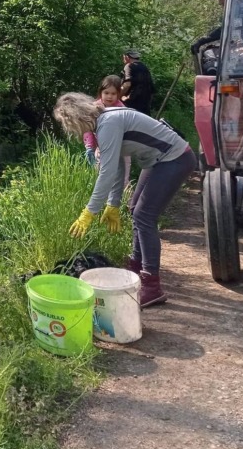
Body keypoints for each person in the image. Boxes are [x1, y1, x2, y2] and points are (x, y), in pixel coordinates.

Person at [55, 93, 196, 307]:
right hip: (159, 161)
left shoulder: (108, 122)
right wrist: (113, 203)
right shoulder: (103, 122)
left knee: (144, 215)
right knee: (135, 211)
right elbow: (118, 166)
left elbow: (107, 172)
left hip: (174, 159)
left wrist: (89, 212)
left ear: (75, 118)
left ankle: (152, 285)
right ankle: (136, 267)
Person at [83, 75, 132, 189]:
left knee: (122, 181)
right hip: (102, 150)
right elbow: (88, 127)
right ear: (101, 92)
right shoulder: (94, 108)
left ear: (118, 94)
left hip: (122, 150)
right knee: (101, 179)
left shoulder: (122, 110)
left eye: (113, 93)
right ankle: (105, 204)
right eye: (106, 93)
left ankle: (130, 206)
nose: (109, 96)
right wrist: (89, 146)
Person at [121, 49, 154, 116]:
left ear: (127, 57)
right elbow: (151, 88)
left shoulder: (129, 66)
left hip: (131, 104)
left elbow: (127, 84)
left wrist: (118, 96)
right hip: (144, 106)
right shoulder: (145, 68)